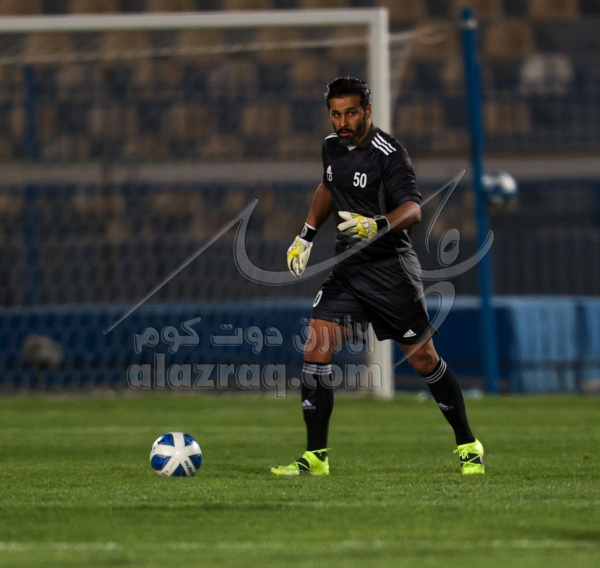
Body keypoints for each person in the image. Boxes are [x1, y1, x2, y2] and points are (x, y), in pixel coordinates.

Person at [271, 77, 484, 476]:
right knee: (316, 348)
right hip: (348, 270)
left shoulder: (390, 154)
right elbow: (328, 185)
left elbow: (414, 209)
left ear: (367, 111)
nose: (343, 122)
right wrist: (305, 235)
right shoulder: (331, 146)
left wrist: (377, 224)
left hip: (391, 271)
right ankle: (315, 457)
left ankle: (468, 444)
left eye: (351, 113)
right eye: (336, 114)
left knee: (424, 359)